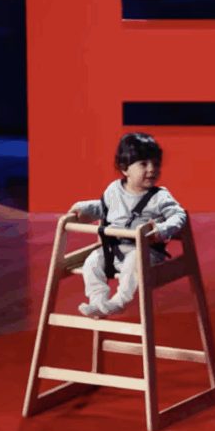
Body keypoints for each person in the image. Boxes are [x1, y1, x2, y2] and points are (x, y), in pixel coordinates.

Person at [67, 132, 186, 318]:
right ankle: (98, 301)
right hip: (114, 250)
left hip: (146, 252)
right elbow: (102, 207)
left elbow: (179, 216)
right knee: (92, 262)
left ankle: (119, 301)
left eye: (155, 164)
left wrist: (162, 229)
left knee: (134, 262)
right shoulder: (114, 190)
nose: (151, 169)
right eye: (143, 164)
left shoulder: (160, 196)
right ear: (125, 169)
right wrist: (84, 208)